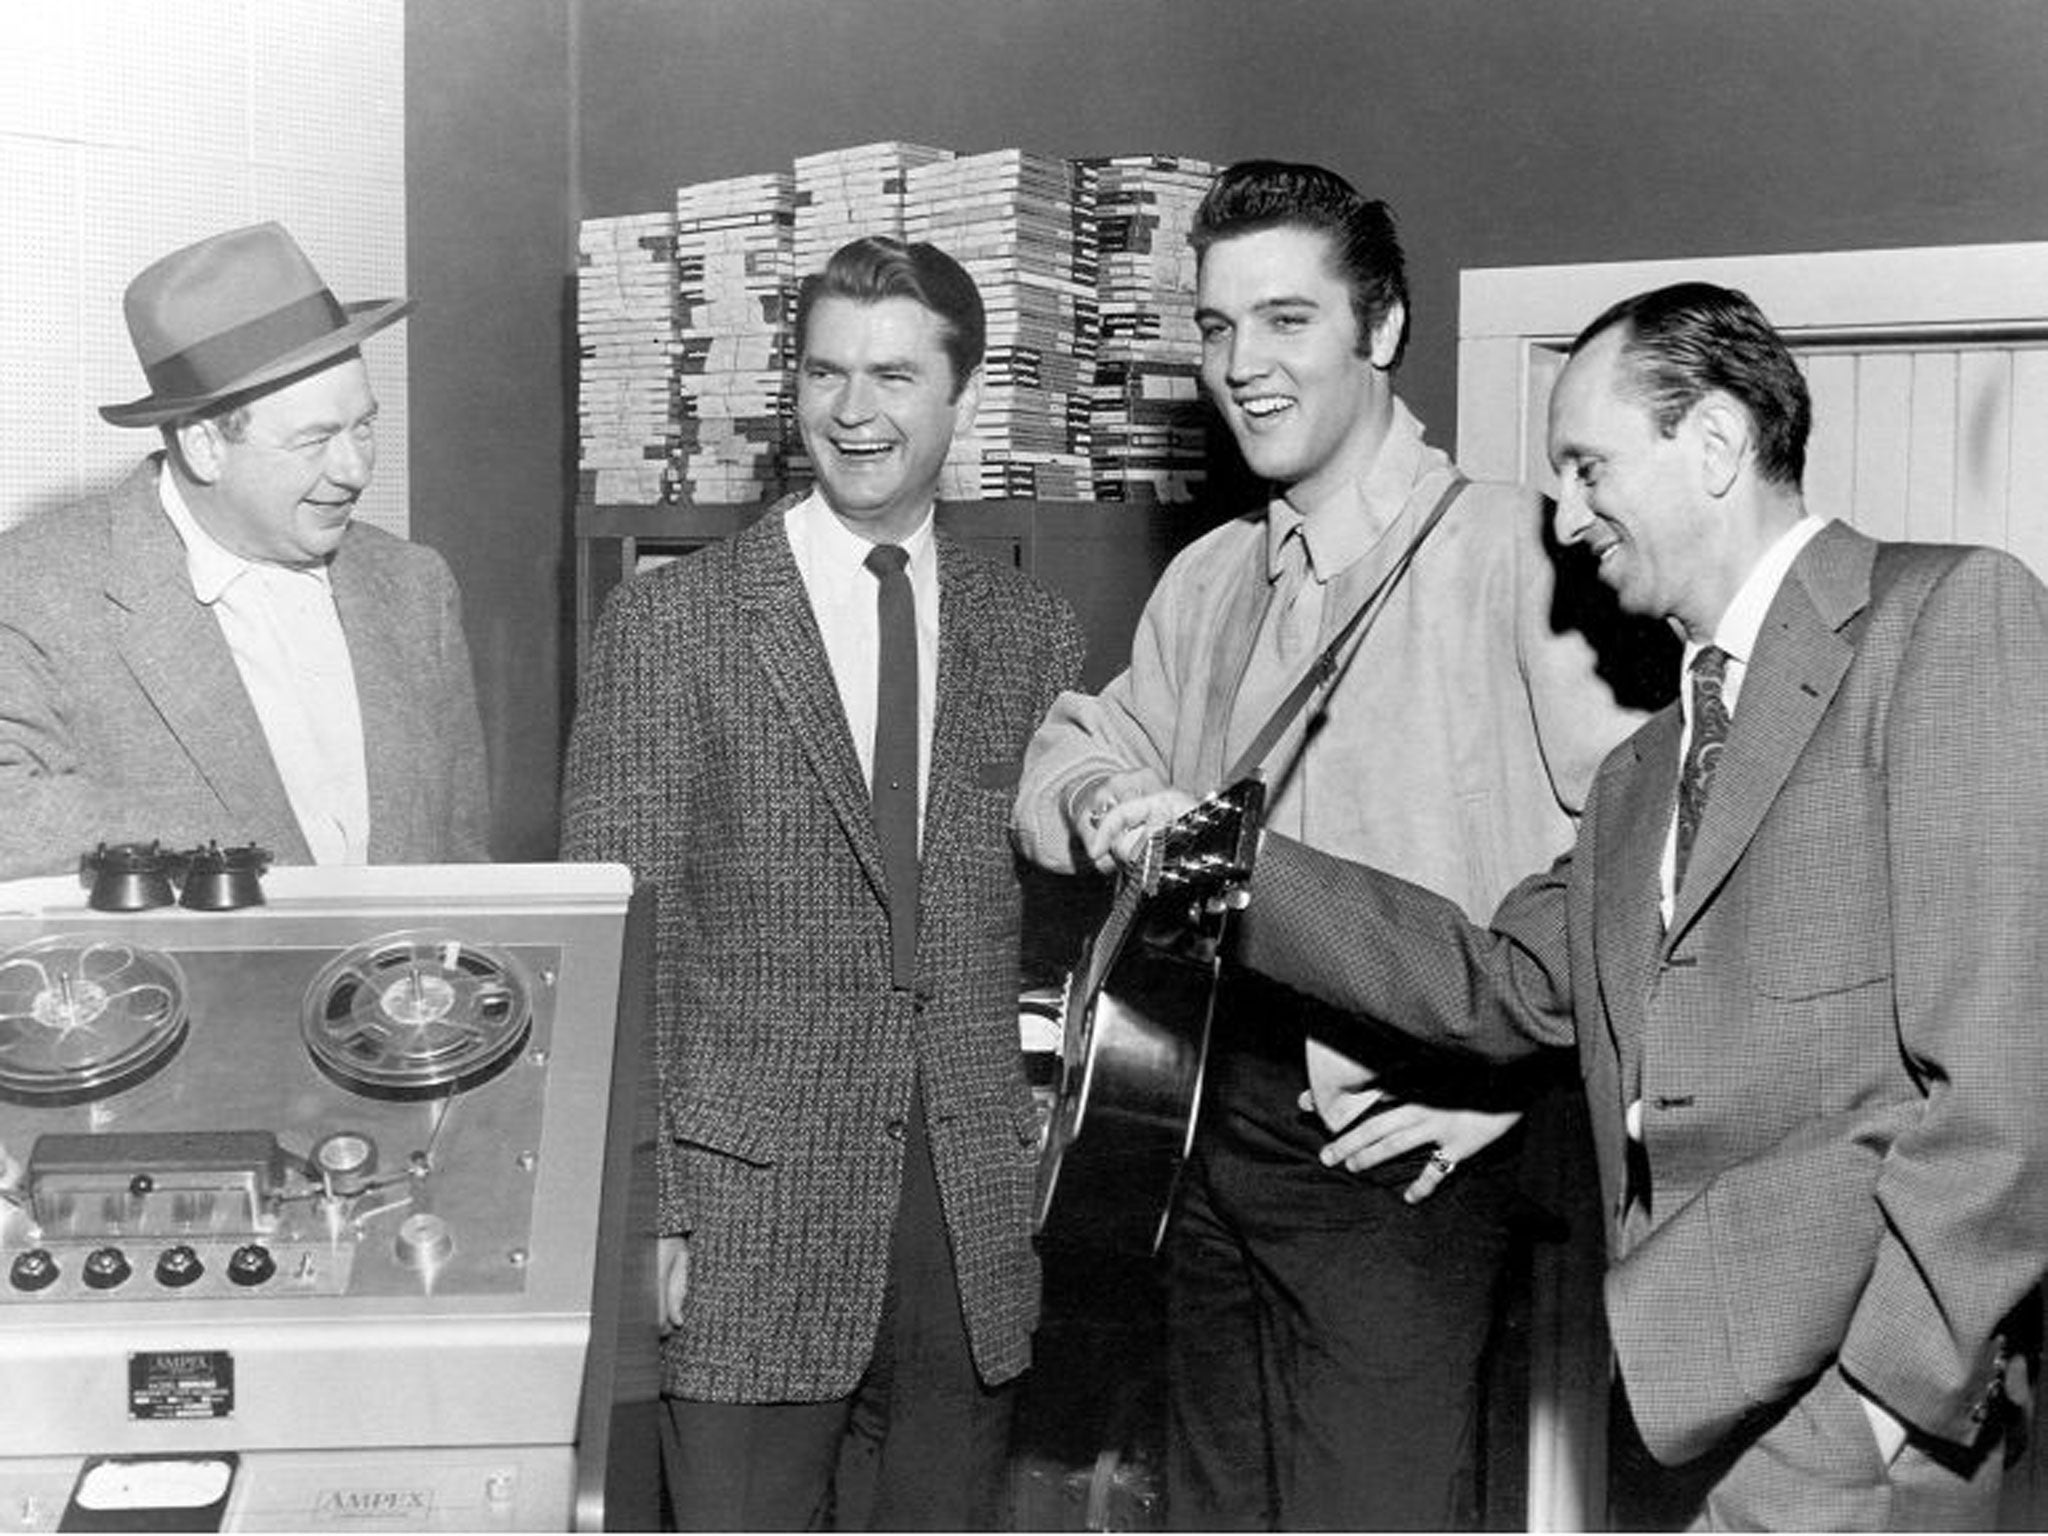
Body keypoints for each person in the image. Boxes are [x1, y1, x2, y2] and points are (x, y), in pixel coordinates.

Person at [1236, 281, 2048, 1529]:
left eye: (1584, 465)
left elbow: (2006, 1076)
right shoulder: (1636, 774)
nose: (1561, 518)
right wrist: (1230, 871)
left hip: (1867, 1445)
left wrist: (1885, 1399)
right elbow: (1490, 984)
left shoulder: (1941, 621)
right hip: (1683, 1426)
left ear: (1713, 444)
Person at [1012, 161, 1640, 1530]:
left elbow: (1652, 865)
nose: (1247, 365)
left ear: (1385, 330)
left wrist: (1516, 1092)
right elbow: (1064, 754)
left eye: (1288, 320)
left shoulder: (1521, 558)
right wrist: (1101, 807)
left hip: (1393, 1177)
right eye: (1220, 326)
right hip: (1198, 1147)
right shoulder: (1212, 577)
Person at [561, 235, 1086, 1530]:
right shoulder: (674, 623)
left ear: (962, 398)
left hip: (963, 1221)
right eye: (825, 373)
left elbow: (1056, 938)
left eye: (896, 377)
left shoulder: (1034, 634)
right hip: (745, 1221)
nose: (855, 413)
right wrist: (651, 1213)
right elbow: (620, 950)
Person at [0, 221, 489, 876]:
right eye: (314, 440)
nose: (354, 470)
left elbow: (466, 867)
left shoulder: (416, 585)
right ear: (204, 445)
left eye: (363, 426)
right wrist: (229, 850)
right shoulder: (38, 586)